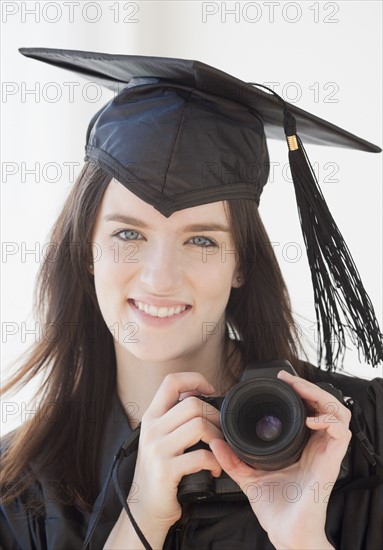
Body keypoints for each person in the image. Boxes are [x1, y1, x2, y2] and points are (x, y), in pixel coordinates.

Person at [1, 48, 382, 550]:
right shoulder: (21, 486)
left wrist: (302, 538)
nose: (160, 279)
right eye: (127, 235)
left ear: (241, 262)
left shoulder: (361, 437)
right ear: (87, 250)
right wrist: (139, 519)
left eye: (201, 240)